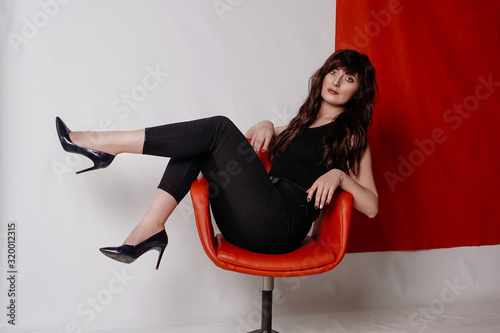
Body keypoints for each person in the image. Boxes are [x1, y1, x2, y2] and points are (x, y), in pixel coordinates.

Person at [56, 49, 379, 270]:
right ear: (323, 76)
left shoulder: (351, 136)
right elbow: (252, 138)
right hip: (250, 221)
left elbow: (372, 206)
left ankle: (107, 143)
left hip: (282, 225)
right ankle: (150, 228)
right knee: (197, 145)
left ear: (358, 91)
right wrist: (264, 124)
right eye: (333, 72)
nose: (336, 82)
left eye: (348, 78)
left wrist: (339, 175)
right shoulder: (301, 124)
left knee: (217, 128)